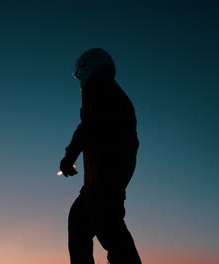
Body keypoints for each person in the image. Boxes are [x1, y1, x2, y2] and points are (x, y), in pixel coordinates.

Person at [60, 48, 142, 264]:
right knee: (81, 220)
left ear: (87, 67)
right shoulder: (115, 93)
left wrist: (69, 156)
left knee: (107, 226)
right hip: (108, 174)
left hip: (105, 175)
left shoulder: (98, 88)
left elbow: (88, 125)